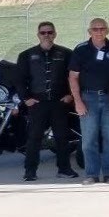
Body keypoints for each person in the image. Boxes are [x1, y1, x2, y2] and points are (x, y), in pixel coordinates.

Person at [17, 21, 76, 181]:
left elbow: (74, 76)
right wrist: (26, 98)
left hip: (59, 101)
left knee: (62, 137)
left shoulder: (66, 53)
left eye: (50, 32)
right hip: (37, 102)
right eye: (43, 33)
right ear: (38, 35)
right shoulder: (26, 55)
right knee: (34, 137)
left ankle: (64, 169)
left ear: (55, 34)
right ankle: (30, 171)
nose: (47, 35)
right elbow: (20, 80)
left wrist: (70, 95)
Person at [68, 17, 109, 184]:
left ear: (108, 30)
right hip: (88, 98)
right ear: (89, 31)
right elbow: (73, 77)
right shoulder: (81, 49)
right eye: (95, 29)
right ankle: (91, 174)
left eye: (102, 28)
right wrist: (78, 101)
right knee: (89, 139)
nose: (99, 32)